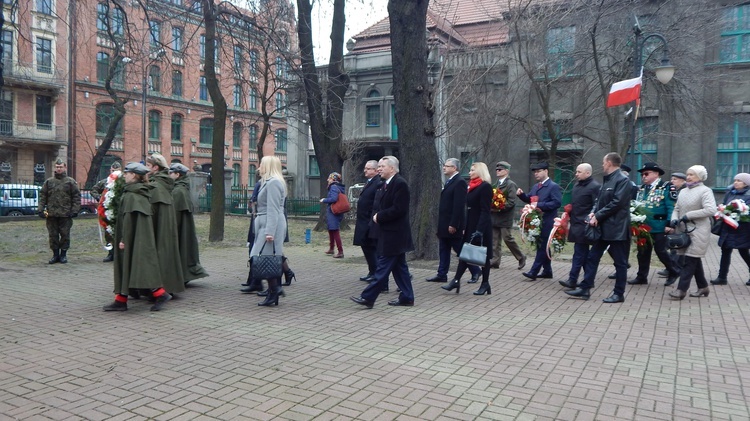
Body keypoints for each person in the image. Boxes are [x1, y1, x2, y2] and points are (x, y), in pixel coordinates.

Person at [103, 162, 170, 312]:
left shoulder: (134, 195)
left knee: (139, 265)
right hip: (135, 237)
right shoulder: (136, 192)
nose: (124, 175)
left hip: (134, 238)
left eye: (127, 173)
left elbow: (129, 221)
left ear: (134, 175)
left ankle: (160, 294)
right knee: (129, 265)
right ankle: (121, 299)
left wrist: (124, 239)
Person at [566, 152, 631, 303]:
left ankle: (618, 293)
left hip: (617, 229)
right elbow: (599, 201)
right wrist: (592, 213)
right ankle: (585, 288)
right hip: (603, 228)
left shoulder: (622, 180)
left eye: (603, 162)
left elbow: (617, 203)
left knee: (620, 262)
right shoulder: (607, 180)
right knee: (592, 257)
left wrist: (598, 215)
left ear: (609, 162)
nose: (602, 165)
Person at [351, 156, 414, 308]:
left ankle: (368, 297)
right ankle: (407, 297)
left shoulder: (400, 184)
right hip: (388, 232)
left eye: (382, 166)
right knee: (400, 269)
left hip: (395, 234)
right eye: (378, 166)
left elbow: (399, 209)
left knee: (382, 268)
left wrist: (380, 216)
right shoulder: (385, 184)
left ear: (392, 168)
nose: (379, 169)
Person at [441, 162, 494, 295]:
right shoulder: (472, 186)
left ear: (480, 172)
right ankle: (456, 280)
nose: (469, 173)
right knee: (466, 254)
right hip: (471, 224)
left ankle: (485, 283)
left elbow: (485, 211)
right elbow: (468, 209)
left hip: (481, 226)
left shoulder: (485, 187)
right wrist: (465, 226)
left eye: (472, 170)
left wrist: (480, 231)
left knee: (484, 256)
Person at [666, 165, 717, 300]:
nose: (688, 177)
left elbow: (711, 209)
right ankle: (703, 287)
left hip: (699, 230)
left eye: (692, 174)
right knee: (693, 258)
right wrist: (674, 219)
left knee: (690, 260)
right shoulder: (683, 191)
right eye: (687, 174)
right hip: (683, 229)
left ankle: (681, 290)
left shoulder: (705, 191)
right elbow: (676, 208)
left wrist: (689, 215)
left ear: (700, 177)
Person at [426, 158, 480, 284]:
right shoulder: (450, 181)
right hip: (444, 223)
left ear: (454, 168)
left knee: (460, 249)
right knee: (443, 248)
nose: (444, 167)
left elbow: (459, 205)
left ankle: (476, 270)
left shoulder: (459, 182)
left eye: (447, 166)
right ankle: (442, 273)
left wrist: (454, 223)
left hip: (452, 224)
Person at [628, 163, 679, 286]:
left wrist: (669, 224)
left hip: (659, 225)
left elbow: (671, 207)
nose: (643, 176)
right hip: (643, 225)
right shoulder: (642, 188)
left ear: (656, 174)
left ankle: (674, 270)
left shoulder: (666, 187)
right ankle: (642, 276)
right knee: (642, 251)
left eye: (646, 174)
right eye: (642, 174)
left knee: (660, 250)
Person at [250, 156, 288, 306]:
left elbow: (273, 209)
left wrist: (270, 231)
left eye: (262, 164)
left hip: (270, 223)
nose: (259, 167)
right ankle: (274, 290)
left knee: (262, 257)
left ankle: (275, 290)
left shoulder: (273, 183)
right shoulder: (270, 182)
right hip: (266, 222)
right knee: (263, 257)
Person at [145, 153, 185, 296]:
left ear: (156, 168)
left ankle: (162, 289)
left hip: (161, 227)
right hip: (164, 225)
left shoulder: (157, 185)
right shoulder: (161, 183)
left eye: (148, 166)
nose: (145, 168)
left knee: (161, 253)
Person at [517, 162, 562, 280]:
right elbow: (530, 199)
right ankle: (547, 271)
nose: (536, 174)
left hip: (548, 220)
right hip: (537, 221)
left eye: (538, 171)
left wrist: (539, 205)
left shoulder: (553, 186)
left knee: (542, 246)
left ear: (546, 171)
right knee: (542, 246)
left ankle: (533, 271)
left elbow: (557, 203)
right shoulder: (536, 187)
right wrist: (522, 196)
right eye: (535, 172)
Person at [559, 163, 601, 290]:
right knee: (582, 254)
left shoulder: (595, 187)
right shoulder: (577, 185)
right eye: (576, 171)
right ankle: (589, 279)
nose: (576, 174)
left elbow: (597, 205)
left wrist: (591, 219)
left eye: (579, 172)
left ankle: (573, 279)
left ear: (587, 173)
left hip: (585, 225)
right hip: (576, 223)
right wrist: (569, 211)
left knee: (579, 253)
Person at [168, 163, 209, 284]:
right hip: (182, 226)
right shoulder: (180, 188)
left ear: (177, 174)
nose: (169, 175)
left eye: (171, 173)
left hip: (180, 227)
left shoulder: (179, 191)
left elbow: (175, 213)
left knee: (182, 248)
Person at [38, 158, 81, 264]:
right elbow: (43, 196)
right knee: (53, 235)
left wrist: (75, 210)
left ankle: (63, 255)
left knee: (65, 235)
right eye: (57, 167)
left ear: (65, 167)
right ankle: (55, 255)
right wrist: (40, 209)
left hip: (65, 214)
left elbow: (76, 197)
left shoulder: (70, 182)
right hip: (51, 214)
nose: (59, 169)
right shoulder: (49, 182)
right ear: (55, 168)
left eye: (61, 167)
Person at [710, 172, 750, 286]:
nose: (736, 183)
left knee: (744, 252)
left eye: (739, 181)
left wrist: (738, 212)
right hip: (728, 227)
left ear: (746, 183)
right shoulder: (730, 192)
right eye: (735, 180)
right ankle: (722, 277)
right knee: (725, 251)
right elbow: (724, 205)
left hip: (743, 229)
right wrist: (723, 209)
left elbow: (747, 211)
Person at [490, 161, 526, 270]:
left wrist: (499, 207)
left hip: (505, 216)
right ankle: (495, 261)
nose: (497, 171)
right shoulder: (495, 184)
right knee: (495, 240)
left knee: (507, 238)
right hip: (495, 216)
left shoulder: (511, 184)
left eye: (500, 169)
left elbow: (511, 202)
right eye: (496, 169)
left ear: (506, 171)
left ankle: (521, 257)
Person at [353, 161, 382, 282]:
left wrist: (372, 221)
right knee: (365, 247)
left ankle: (376, 272)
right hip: (362, 221)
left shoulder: (378, 183)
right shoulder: (369, 182)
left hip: (369, 221)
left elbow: (375, 204)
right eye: (365, 168)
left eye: (369, 169)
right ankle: (372, 271)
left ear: (375, 171)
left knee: (371, 248)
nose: (365, 170)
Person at [91, 161, 122, 262]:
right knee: (108, 232)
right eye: (112, 170)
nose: (114, 172)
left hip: (119, 211)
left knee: (120, 232)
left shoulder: (123, 182)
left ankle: (120, 254)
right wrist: (100, 199)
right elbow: (93, 190)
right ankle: (111, 253)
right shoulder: (105, 182)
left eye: (116, 171)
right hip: (108, 211)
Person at [661, 172, 687, 284]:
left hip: (682, 223)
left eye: (675, 179)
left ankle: (676, 268)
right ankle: (671, 268)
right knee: (672, 245)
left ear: (683, 181)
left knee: (677, 247)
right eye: (672, 179)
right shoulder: (673, 191)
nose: (672, 181)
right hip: (675, 221)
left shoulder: (684, 192)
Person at [320, 172, 346, 258]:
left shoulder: (334, 187)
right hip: (335, 212)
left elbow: (334, 198)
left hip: (334, 212)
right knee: (331, 229)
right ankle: (331, 248)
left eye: (329, 178)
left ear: (334, 179)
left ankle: (340, 251)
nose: (328, 180)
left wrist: (324, 200)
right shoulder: (338, 187)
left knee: (335, 231)